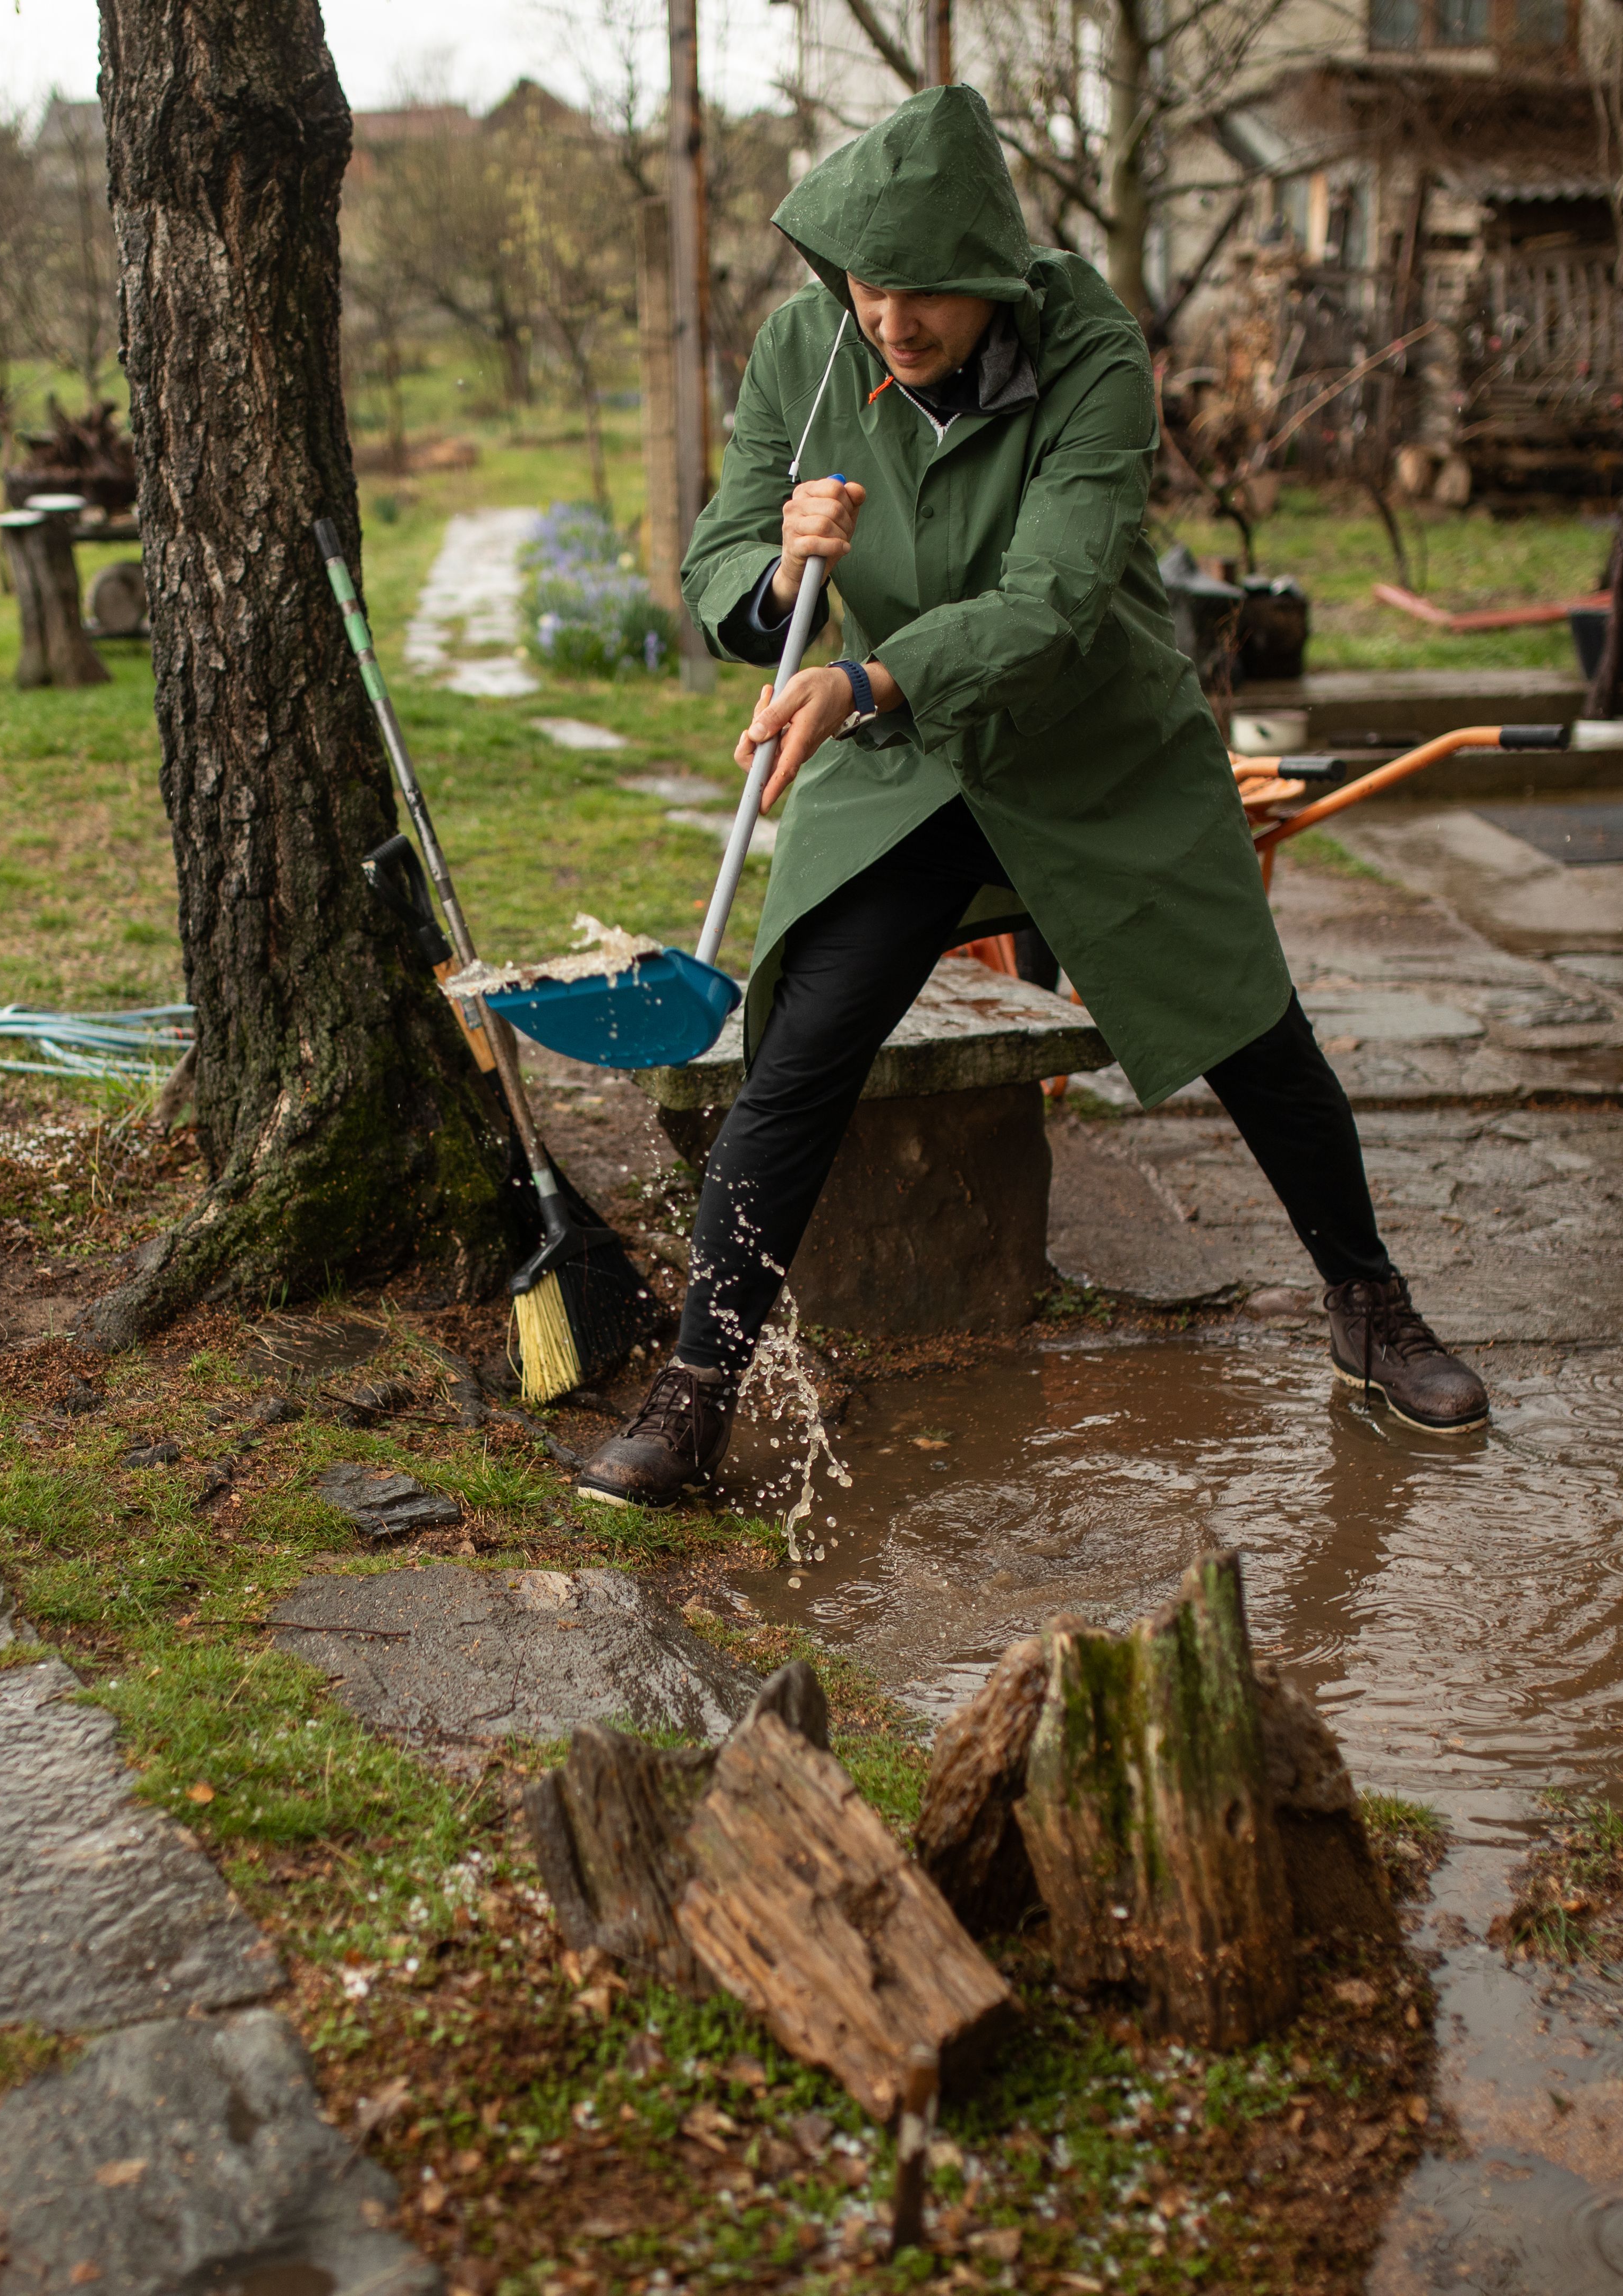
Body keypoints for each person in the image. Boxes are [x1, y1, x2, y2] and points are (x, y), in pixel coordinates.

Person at [576, 85, 1487, 1509]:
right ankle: (699, 1385)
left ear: (992, 275)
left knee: (1245, 1019)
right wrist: (774, 570)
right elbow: (724, 568)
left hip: (1089, 735)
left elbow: (1056, 599)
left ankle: (1372, 1309)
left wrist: (866, 684)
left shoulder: (1091, 345)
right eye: (872, 290)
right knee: (803, 1049)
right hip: (897, 766)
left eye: (927, 294)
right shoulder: (806, 354)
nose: (894, 323)